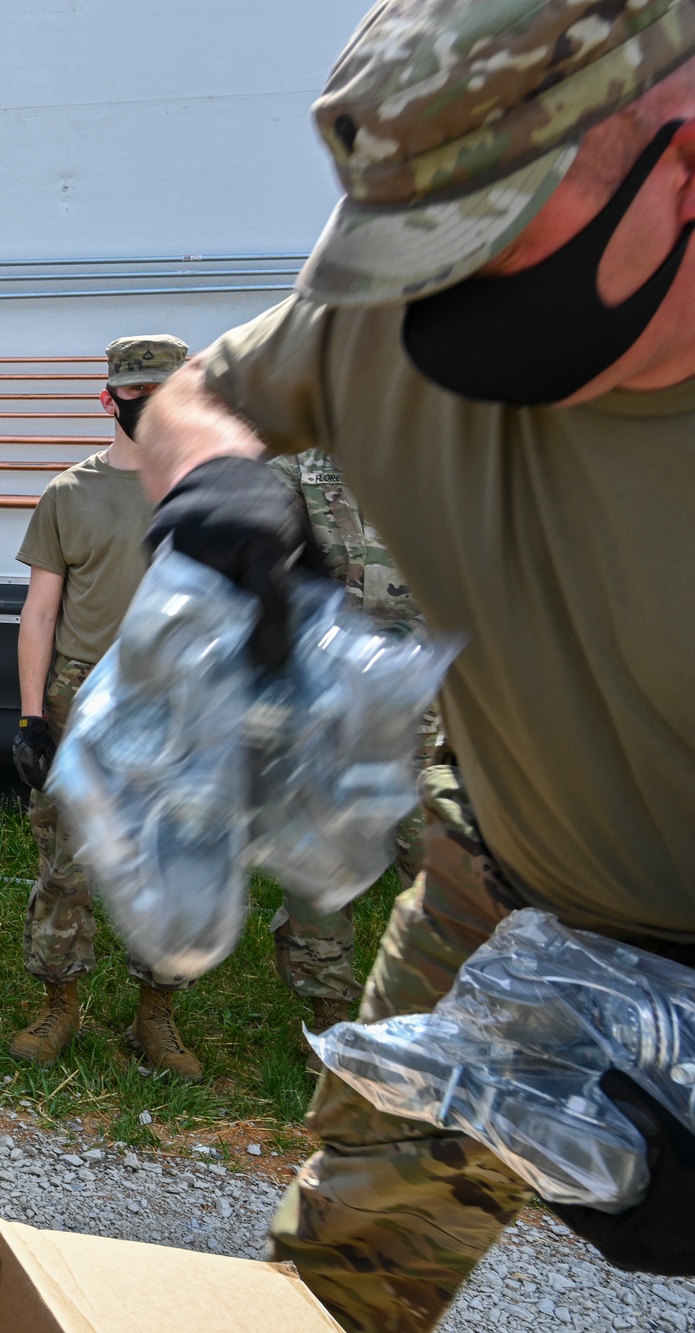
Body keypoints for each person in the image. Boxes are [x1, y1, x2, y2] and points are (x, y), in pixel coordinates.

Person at [129, 1, 695, 1324]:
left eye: (486, 243)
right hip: (492, 904)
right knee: (325, 1290)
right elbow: (187, 396)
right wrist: (217, 491)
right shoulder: (384, 315)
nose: (435, 302)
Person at [8, 335, 205, 1081]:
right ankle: (60, 1005)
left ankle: (155, 1016)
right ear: (109, 400)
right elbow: (38, 614)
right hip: (82, 691)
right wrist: (31, 716)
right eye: (137, 394)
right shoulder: (69, 493)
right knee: (67, 863)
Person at [265, 449, 445, 1066]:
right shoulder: (296, 471)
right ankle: (329, 1018)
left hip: (424, 708)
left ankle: (420, 1019)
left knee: (436, 862)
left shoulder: (443, 460)